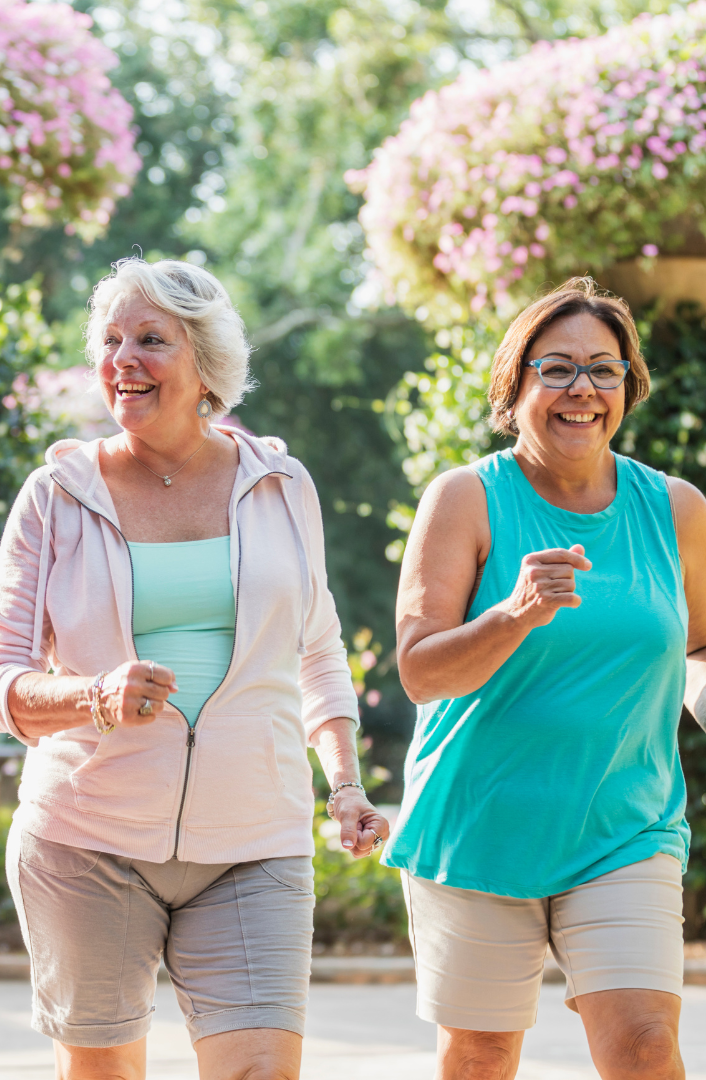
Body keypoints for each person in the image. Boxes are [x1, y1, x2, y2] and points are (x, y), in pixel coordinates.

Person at [0, 256, 388, 1080]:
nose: (123, 359)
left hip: (254, 840)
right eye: (112, 340)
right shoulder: (55, 496)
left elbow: (318, 648)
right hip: (86, 842)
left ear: (207, 367)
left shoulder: (280, 483)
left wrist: (344, 785)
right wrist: (93, 695)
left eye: (151, 340)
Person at [387, 277, 706, 1080]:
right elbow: (422, 672)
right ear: (515, 384)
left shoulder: (676, 511)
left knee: (644, 1046)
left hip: (624, 828)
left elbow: (701, 651)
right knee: (482, 1058)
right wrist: (514, 614)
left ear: (627, 387)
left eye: (604, 370)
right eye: (555, 368)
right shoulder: (466, 498)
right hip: (480, 830)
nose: (582, 390)